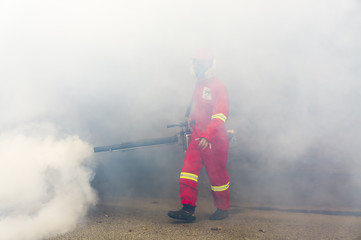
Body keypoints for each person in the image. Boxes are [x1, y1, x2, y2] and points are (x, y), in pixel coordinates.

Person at [168, 49, 230, 222]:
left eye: (202, 62)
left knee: (218, 177)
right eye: (196, 62)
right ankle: (188, 210)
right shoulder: (200, 83)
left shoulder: (218, 86)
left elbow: (220, 115)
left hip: (214, 140)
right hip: (197, 137)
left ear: (211, 64)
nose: (198, 66)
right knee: (187, 173)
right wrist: (191, 119)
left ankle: (222, 208)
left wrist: (208, 136)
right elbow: (200, 109)